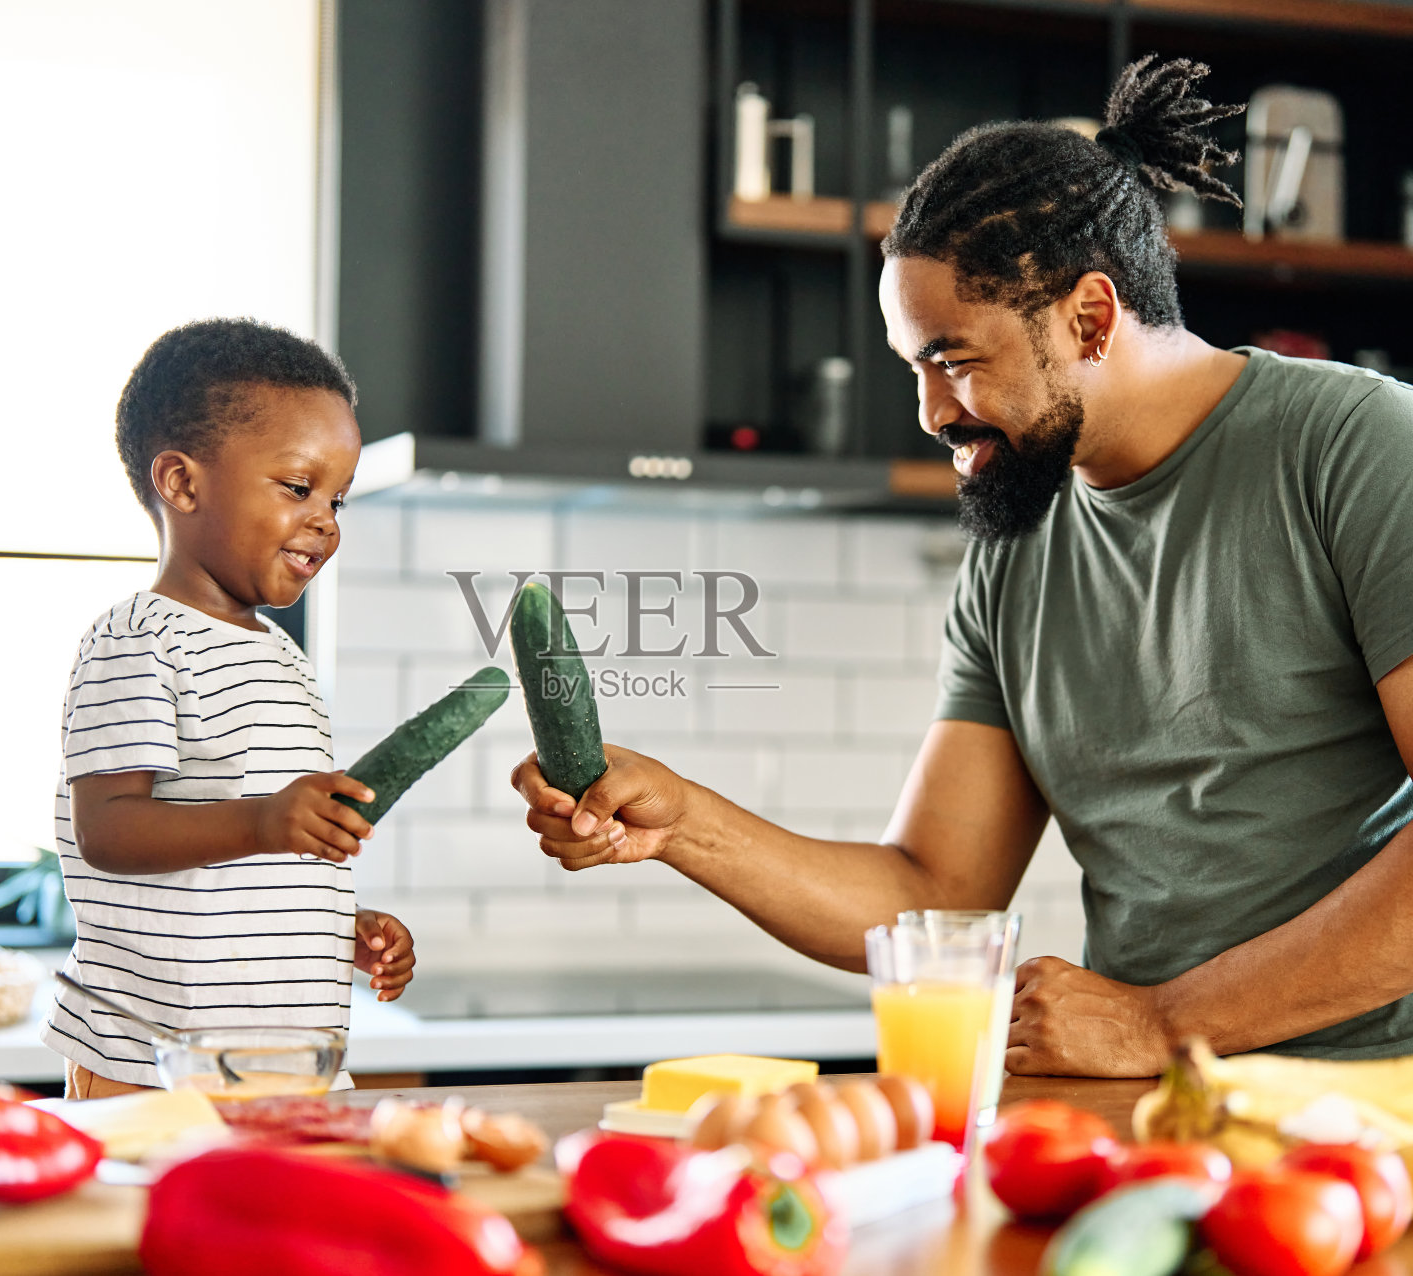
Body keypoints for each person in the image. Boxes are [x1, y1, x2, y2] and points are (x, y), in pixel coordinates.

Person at [513, 56, 1413, 1074]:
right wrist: (683, 823)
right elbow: (931, 891)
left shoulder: (1356, 446)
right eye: (914, 368)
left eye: (954, 359)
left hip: (1375, 1103)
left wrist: (1157, 1020)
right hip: (1147, 1100)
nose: (932, 413)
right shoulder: (1021, 536)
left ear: (1089, 317)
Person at [41, 318, 416, 1098]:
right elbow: (108, 829)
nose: (325, 521)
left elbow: (244, 871)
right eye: (298, 487)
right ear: (181, 483)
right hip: (151, 1072)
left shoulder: (282, 656)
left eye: (338, 500)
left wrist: (333, 930)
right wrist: (262, 820)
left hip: (281, 1075)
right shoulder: (134, 640)